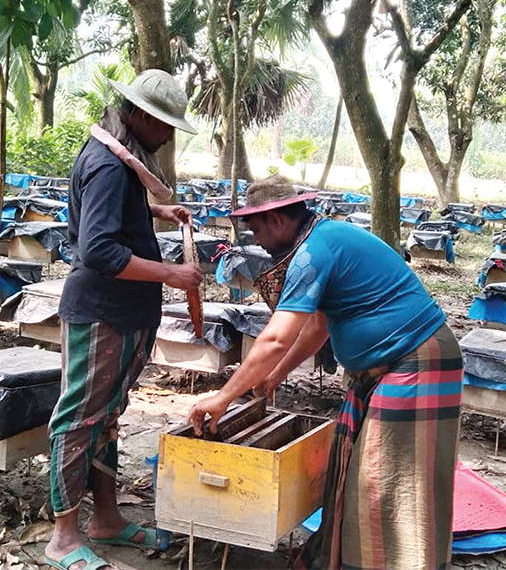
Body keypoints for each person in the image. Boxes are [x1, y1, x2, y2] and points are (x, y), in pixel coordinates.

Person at [188, 175, 463, 570]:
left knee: (386, 480)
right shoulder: (320, 240)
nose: (257, 240)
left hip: (416, 361)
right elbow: (317, 328)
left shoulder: (313, 253)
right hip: (388, 366)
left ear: (278, 220)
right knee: (362, 473)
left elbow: (274, 339)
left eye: (257, 228)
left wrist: (223, 396)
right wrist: (275, 376)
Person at [44, 70, 203, 570]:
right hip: (102, 313)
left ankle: (107, 519)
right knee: (78, 421)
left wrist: (159, 211)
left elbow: (117, 216)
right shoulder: (110, 167)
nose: (170, 134)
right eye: (164, 124)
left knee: (105, 418)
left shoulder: (120, 158)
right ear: (139, 116)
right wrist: (173, 274)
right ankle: (63, 537)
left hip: (123, 312)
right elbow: (99, 249)